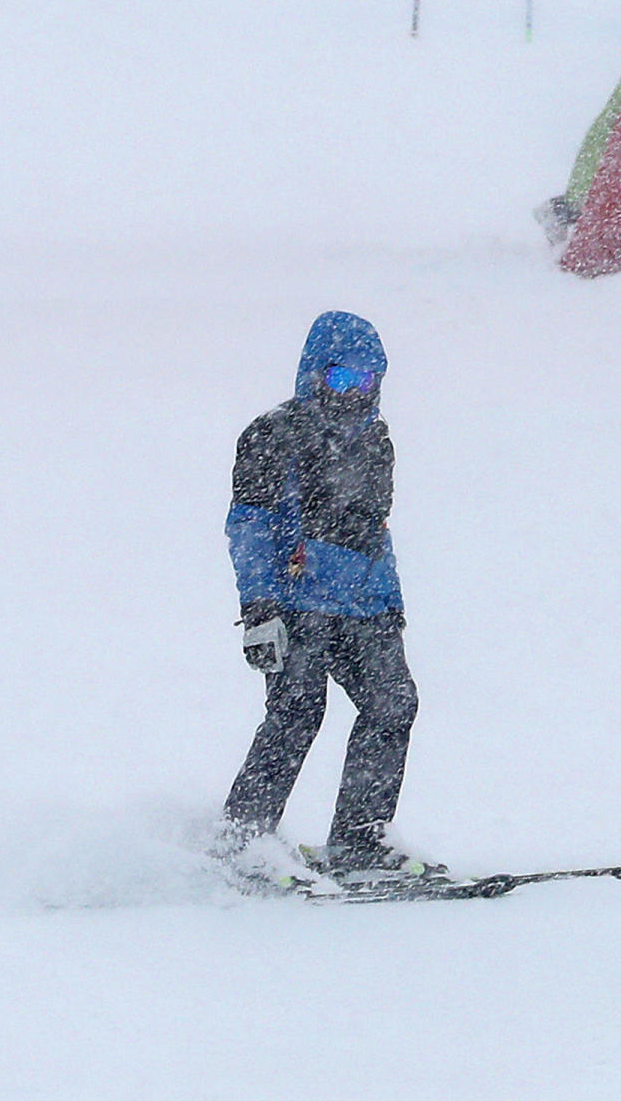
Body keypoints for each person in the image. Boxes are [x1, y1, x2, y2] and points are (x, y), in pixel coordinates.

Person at [215, 310, 429, 881]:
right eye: (341, 379)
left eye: (367, 380)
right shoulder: (272, 434)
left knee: (393, 706)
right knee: (297, 712)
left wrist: (392, 604)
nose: (355, 392)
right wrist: (259, 610)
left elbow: (375, 531)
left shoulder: (376, 443)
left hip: (365, 607)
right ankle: (245, 839)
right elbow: (251, 525)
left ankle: (360, 839)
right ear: (315, 373)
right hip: (295, 603)